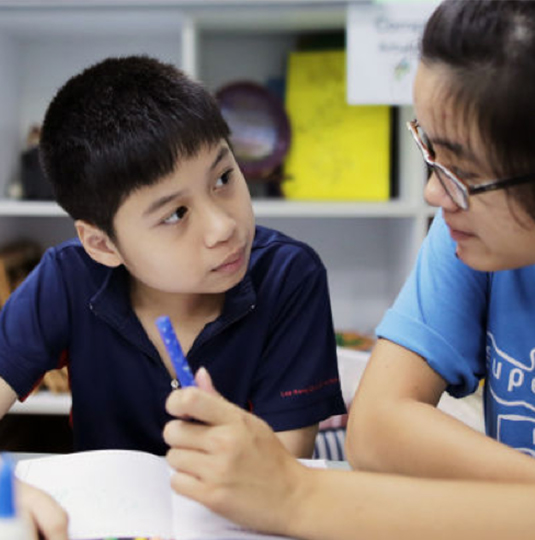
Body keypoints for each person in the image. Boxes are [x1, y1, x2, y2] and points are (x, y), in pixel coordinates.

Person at [162, 1, 535, 538]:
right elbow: (378, 431)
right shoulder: (478, 229)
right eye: (429, 150)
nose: (435, 192)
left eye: (464, 171)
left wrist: (295, 496)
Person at [0, 56, 345, 449]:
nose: (223, 227)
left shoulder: (288, 277)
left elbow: (285, 469)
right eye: (175, 214)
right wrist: (18, 495)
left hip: (238, 507)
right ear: (103, 244)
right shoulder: (67, 279)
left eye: (223, 178)